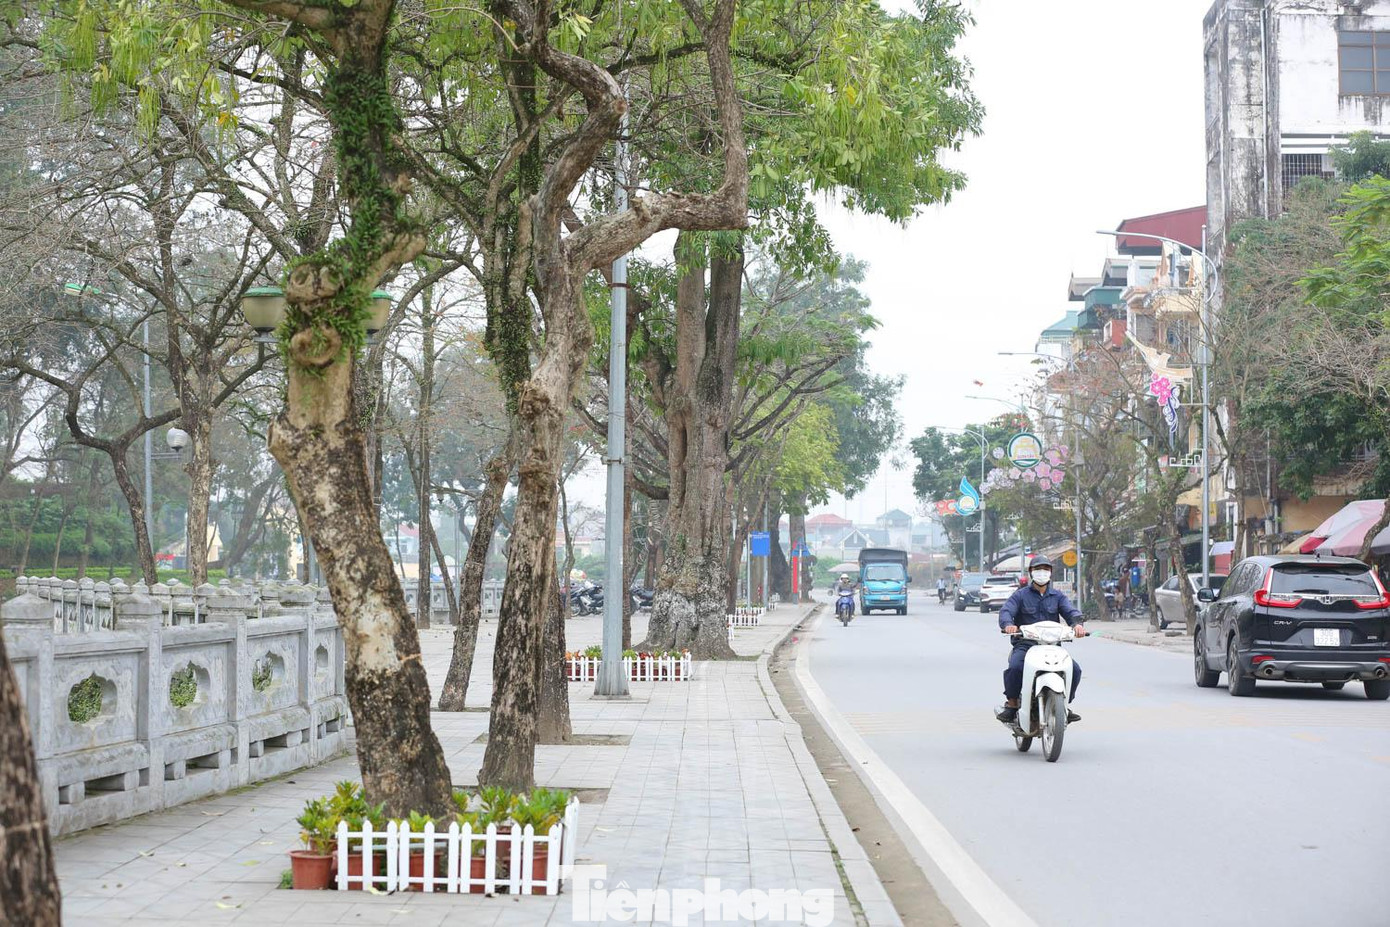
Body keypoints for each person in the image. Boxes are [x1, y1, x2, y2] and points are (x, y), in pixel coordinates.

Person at [995, 556, 1087, 724]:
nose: (1042, 573)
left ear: (1051, 573)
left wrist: (1077, 625)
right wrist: (1008, 624)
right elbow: (1006, 611)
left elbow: (1071, 612)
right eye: (1038, 569)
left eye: (1046, 569)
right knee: (1015, 667)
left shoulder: (1058, 596)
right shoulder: (1020, 595)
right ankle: (1012, 704)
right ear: (1031, 572)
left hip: (1052, 646)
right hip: (1026, 645)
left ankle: (1064, 705)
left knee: (1075, 670)